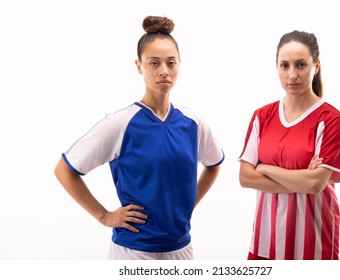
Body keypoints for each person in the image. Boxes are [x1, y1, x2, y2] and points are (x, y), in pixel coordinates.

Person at [54, 15, 224, 260]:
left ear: (179, 65)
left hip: (181, 249)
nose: (164, 71)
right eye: (154, 63)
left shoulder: (193, 123)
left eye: (171, 63)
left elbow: (213, 165)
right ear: (139, 66)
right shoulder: (121, 124)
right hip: (133, 251)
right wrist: (104, 216)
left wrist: (188, 205)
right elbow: (64, 169)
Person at [238, 30, 340, 260]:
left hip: (314, 243)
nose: (292, 75)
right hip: (265, 242)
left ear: (315, 66)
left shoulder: (331, 120)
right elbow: (245, 178)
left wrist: (265, 168)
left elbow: (316, 184)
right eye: (284, 65)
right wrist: (302, 178)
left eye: (300, 65)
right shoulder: (262, 116)